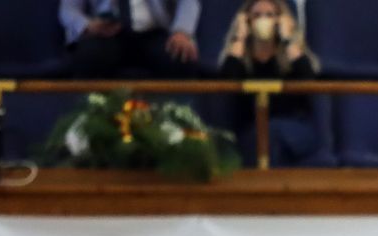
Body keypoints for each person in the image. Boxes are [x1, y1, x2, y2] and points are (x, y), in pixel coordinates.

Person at [217, 0, 321, 165]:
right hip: (252, 133)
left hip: (294, 130)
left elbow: (309, 82)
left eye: (269, 15)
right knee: (264, 136)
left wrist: (287, 38)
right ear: (247, 21)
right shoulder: (239, 56)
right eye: (257, 15)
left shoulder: (291, 54)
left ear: (279, 20)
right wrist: (239, 37)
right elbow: (225, 88)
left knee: (272, 133)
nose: (263, 20)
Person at [61, 0, 201, 77]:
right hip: (106, 32)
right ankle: (89, 121)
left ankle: (177, 123)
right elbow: (68, 8)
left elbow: (189, 2)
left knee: (180, 57)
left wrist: (181, 32)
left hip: (153, 31)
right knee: (89, 57)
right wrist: (87, 25)